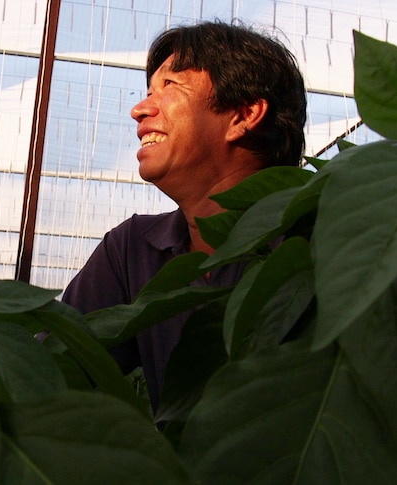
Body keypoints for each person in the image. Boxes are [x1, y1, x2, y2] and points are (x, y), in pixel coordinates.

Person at [61, 20, 307, 413]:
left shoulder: (318, 232)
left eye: (170, 85)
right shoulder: (132, 250)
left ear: (244, 114)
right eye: (147, 92)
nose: (139, 109)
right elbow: (54, 373)